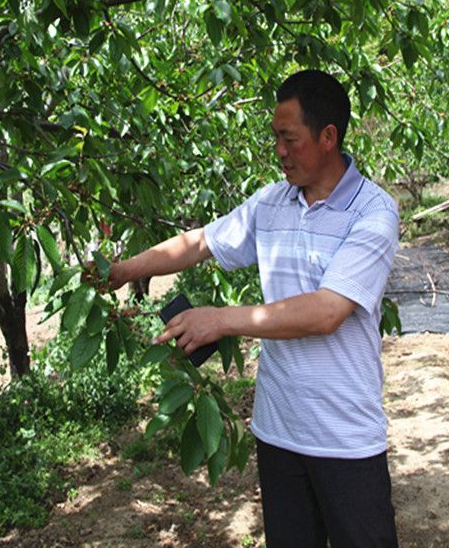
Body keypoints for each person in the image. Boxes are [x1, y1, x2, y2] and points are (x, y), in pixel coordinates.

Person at [106, 69, 400, 547]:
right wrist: (123, 270)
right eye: (275, 138)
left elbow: (326, 311)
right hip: (278, 433)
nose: (279, 151)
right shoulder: (271, 203)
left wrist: (220, 320)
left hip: (345, 440)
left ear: (328, 137)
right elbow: (199, 243)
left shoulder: (373, 211)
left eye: (290, 139)